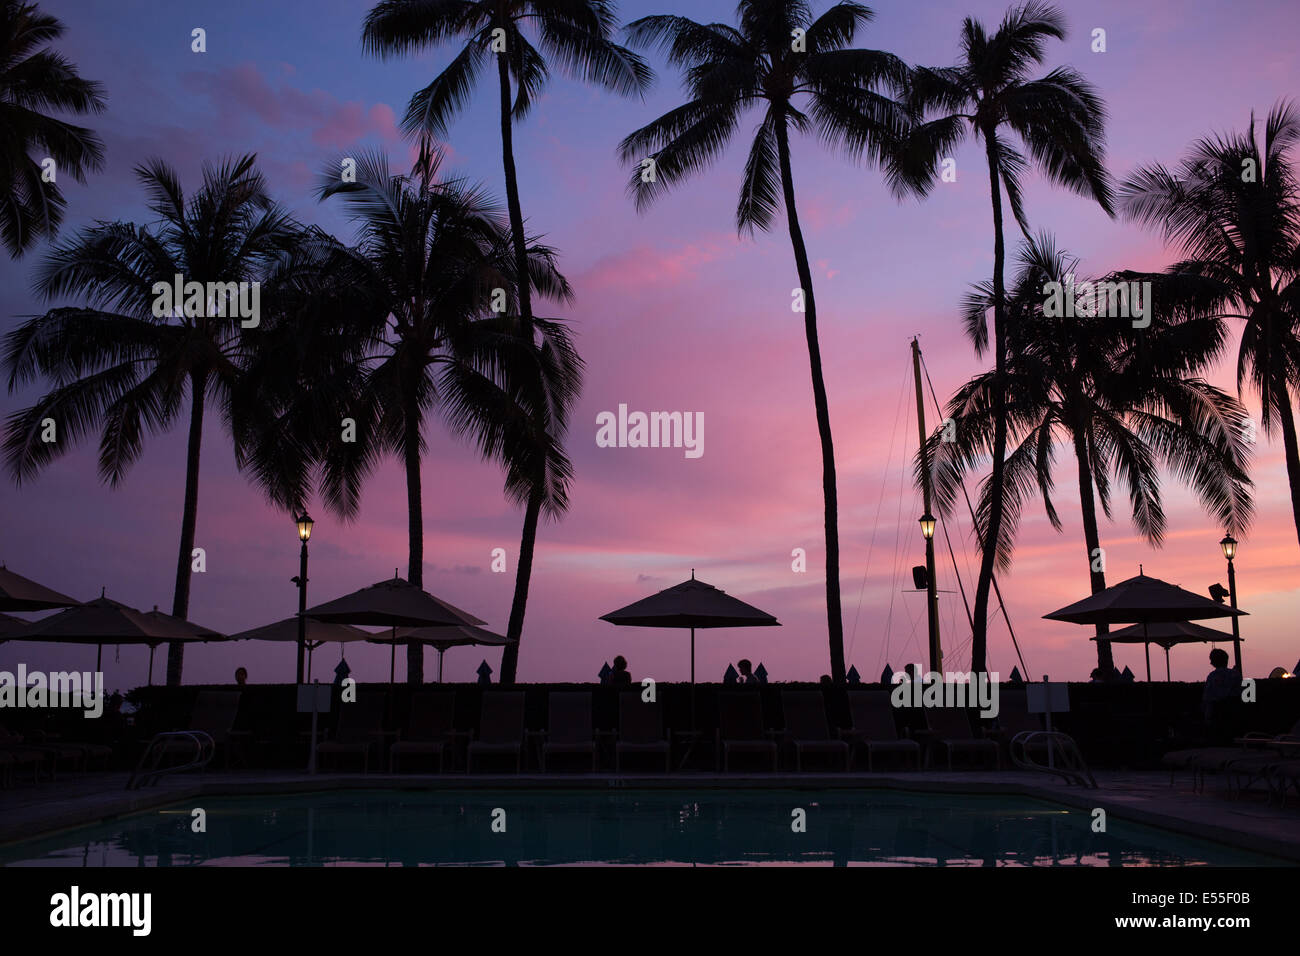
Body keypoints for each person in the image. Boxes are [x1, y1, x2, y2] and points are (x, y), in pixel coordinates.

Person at [1202, 648, 1240, 721]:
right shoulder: (1235, 674)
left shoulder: (1212, 676)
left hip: (1216, 712)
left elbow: (1207, 697)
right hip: (1233, 712)